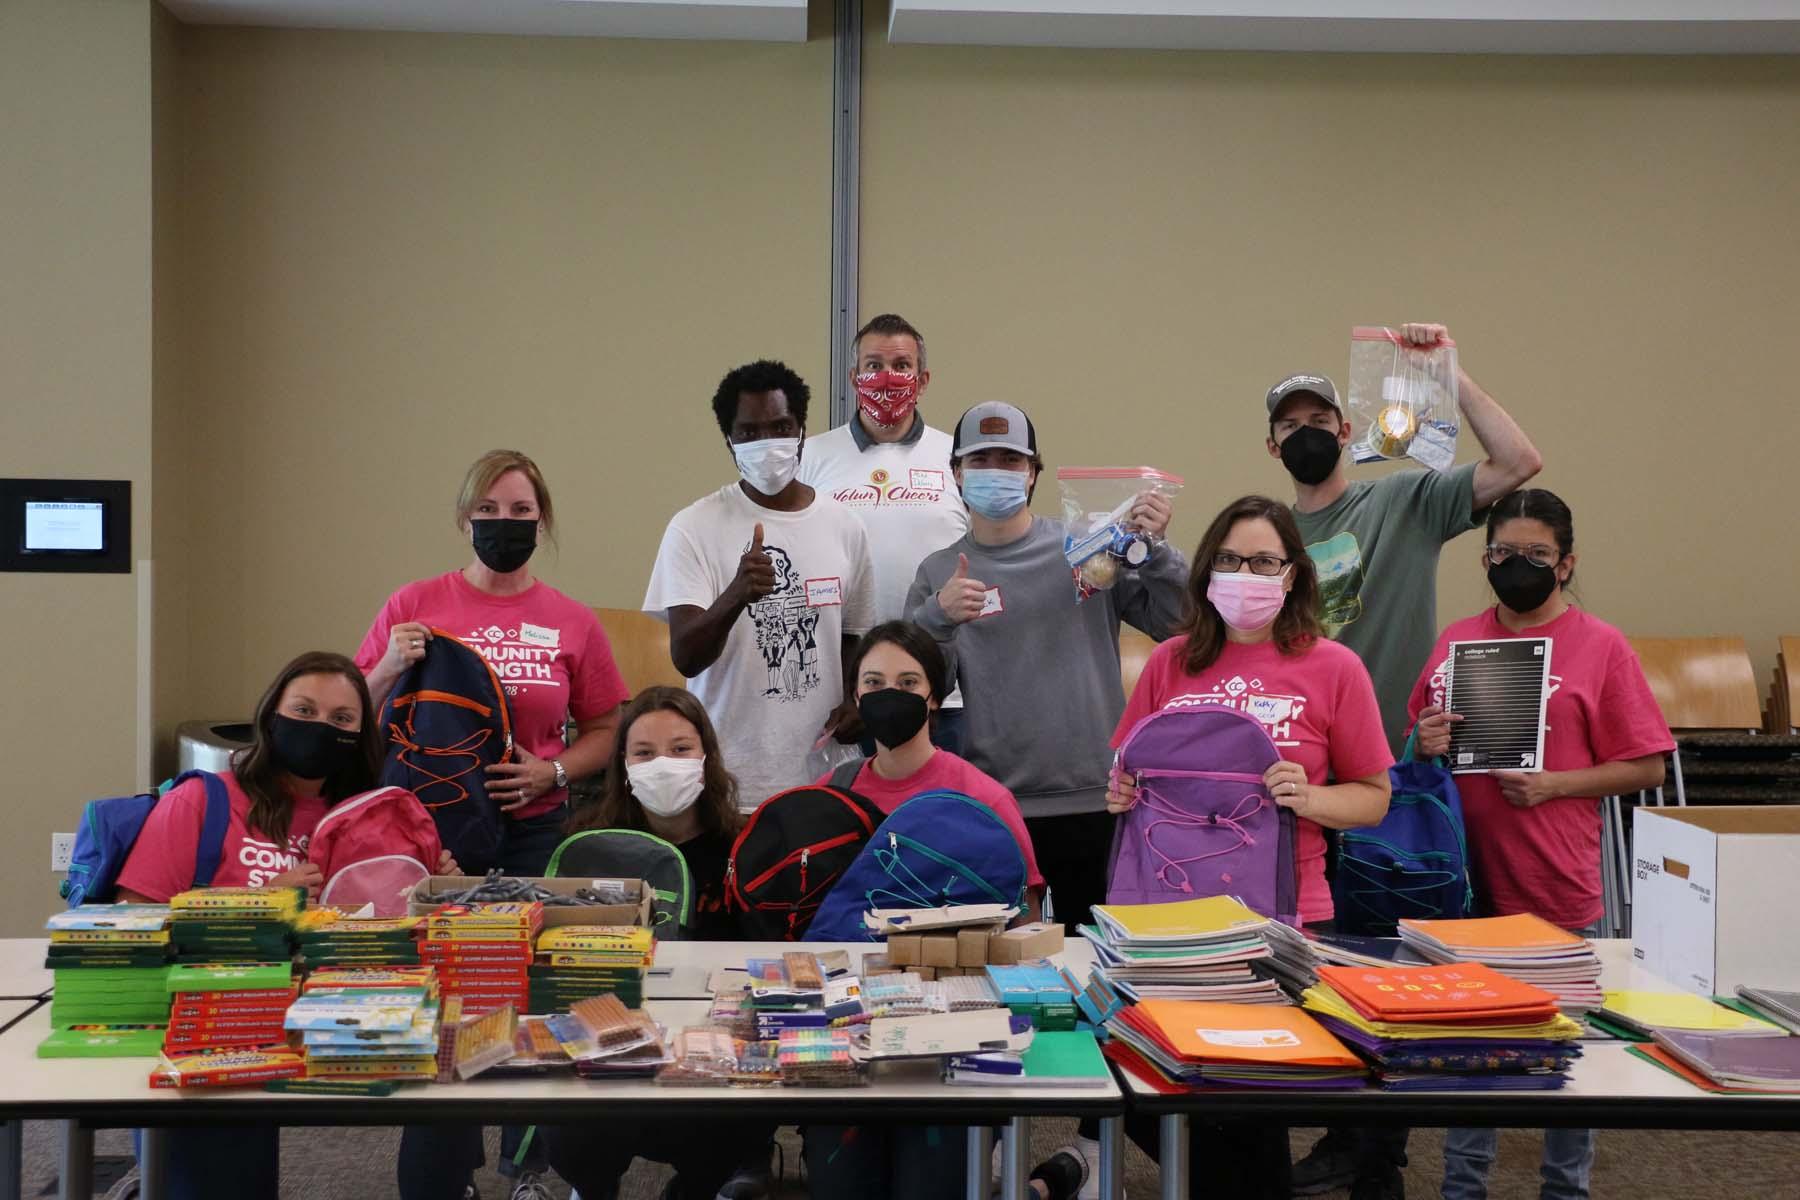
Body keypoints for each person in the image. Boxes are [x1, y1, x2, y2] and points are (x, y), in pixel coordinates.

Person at [1271, 323, 1541, 1199]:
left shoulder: (1403, 502)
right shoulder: (1266, 539)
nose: (1307, 430)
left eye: (1322, 416)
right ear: (1272, 443)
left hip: (1396, 783)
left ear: (1347, 430)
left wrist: (1449, 373)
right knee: (1318, 965)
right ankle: (1342, 1137)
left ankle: (1374, 1151)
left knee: (1390, 970)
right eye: (1290, 421)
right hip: (1301, 791)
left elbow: (1518, 459)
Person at [356, 449, 629, 1200]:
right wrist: (387, 666)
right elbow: (357, 709)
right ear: (463, 518)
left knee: (535, 1001)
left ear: (542, 520)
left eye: (520, 512)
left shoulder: (571, 620)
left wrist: (557, 770)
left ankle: (530, 1172)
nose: (504, 525)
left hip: (537, 830)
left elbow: (608, 724)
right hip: (437, 845)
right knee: (447, 1001)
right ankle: (443, 1179)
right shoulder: (415, 603)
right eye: (489, 512)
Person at [1102, 496, 1391, 1200]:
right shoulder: (1172, 662)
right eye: (1229, 560)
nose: (1245, 574)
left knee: (1252, 1107)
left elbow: (1374, 796)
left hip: (1279, 923)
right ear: (1206, 572)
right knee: (1159, 1086)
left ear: (1292, 575)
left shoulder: (1334, 667)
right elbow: (1127, 768)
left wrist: (1311, 798)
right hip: (1169, 921)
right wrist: (1119, 793)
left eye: (1264, 561)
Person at [1408, 487, 1671, 1200]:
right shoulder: (1456, 638)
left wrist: (1556, 785)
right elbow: (1420, 742)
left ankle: (1565, 1190)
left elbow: (1648, 763)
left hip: (1555, 879)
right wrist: (1426, 738)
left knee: (1564, 1053)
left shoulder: (1602, 645)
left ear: (1566, 563)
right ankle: (1462, 1190)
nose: (1515, 565)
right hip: (1463, 883)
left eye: (1535, 554)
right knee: (1472, 1054)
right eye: (1501, 552)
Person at [115, 650, 453, 1200]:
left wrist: (434, 891)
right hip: (219, 1026)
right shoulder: (202, 801)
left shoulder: (374, 817)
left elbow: (390, 934)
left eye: (343, 719)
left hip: (345, 1024)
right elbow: (135, 921)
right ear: (271, 714)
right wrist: (263, 902)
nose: (322, 728)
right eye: (304, 709)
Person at [905, 401, 1186, 937]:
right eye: (980, 459)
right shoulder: (938, 573)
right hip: (996, 804)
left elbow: (1179, 625)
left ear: (1033, 473)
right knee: (1008, 970)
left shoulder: (1088, 547)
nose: (996, 472)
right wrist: (936, 620)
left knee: (1102, 958)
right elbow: (924, 692)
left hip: (1099, 799)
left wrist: (1156, 554)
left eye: (1010, 460)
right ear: (957, 474)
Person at [543, 686, 774, 1198]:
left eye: (680, 749)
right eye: (644, 753)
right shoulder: (587, 847)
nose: (663, 764)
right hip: (615, 1041)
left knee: (735, 1128)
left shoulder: (745, 847)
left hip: (710, 1048)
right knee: (571, 1137)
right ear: (622, 765)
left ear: (706, 758)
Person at [643, 359, 878, 813]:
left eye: (780, 426)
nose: (766, 443)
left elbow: (855, 633)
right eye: (749, 432)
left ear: (802, 432)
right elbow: (686, 656)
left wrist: (855, 698)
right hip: (728, 779)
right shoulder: (693, 527)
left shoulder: (845, 526)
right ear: (729, 441)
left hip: (824, 777)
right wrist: (735, 595)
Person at [797, 314, 971, 750]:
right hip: (843, 694)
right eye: (873, 365)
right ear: (855, 377)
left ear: (923, 379)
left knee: (933, 815)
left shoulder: (959, 455)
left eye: (901, 365)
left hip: (941, 694)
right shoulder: (811, 457)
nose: (886, 377)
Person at [815, 621, 1045, 916]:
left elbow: (1026, 915)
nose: (890, 694)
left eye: (908, 682)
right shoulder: (830, 794)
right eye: (874, 682)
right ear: (857, 696)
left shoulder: (985, 799)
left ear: (934, 696)